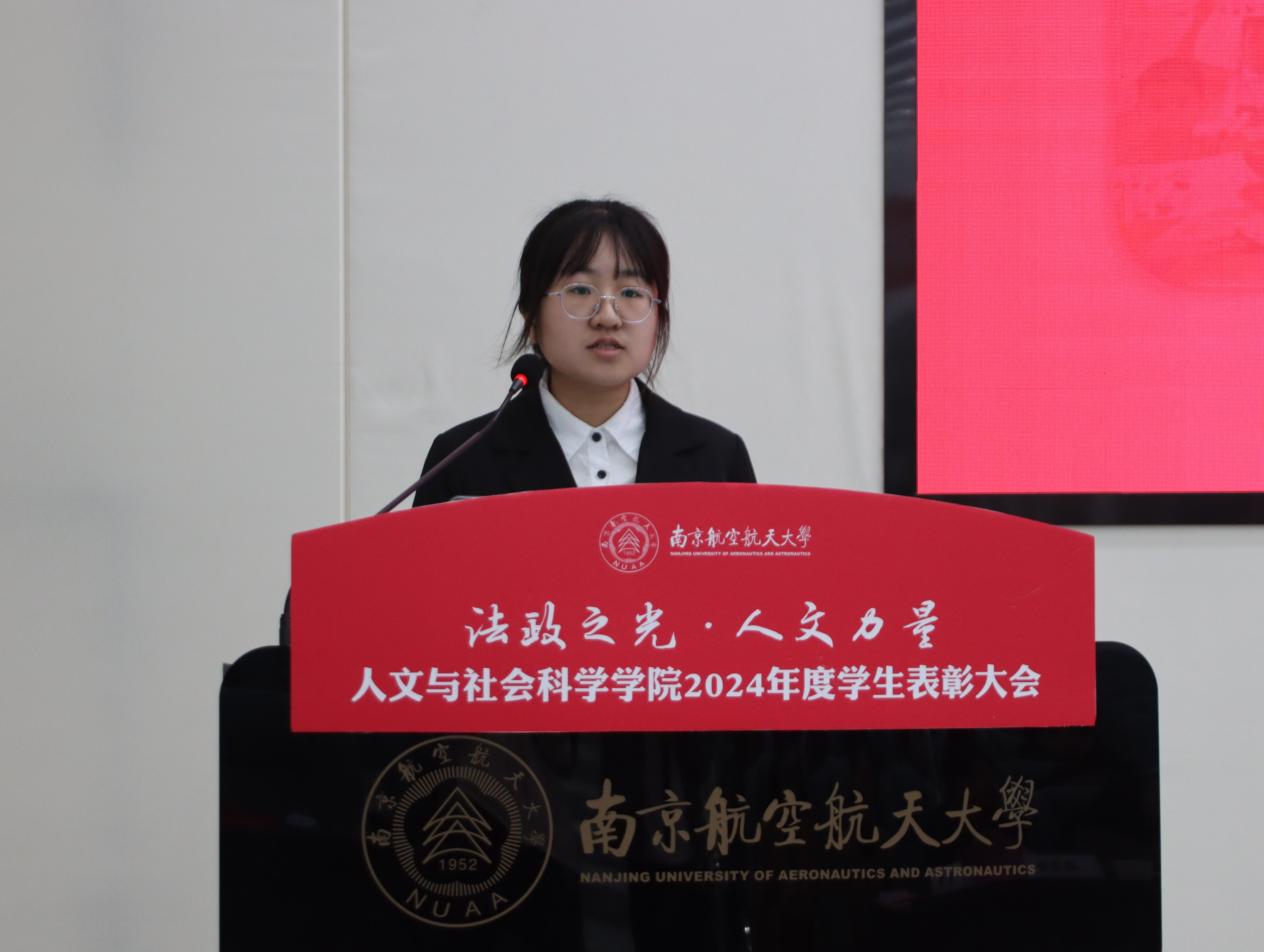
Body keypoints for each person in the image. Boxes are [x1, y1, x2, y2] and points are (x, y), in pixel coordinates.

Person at [412, 198, 755, 507]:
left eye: (631, 294)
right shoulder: (461, 459)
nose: (607, 317)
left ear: (659, 318)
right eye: (580, 290)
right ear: (531, 317)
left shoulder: (717, 458)